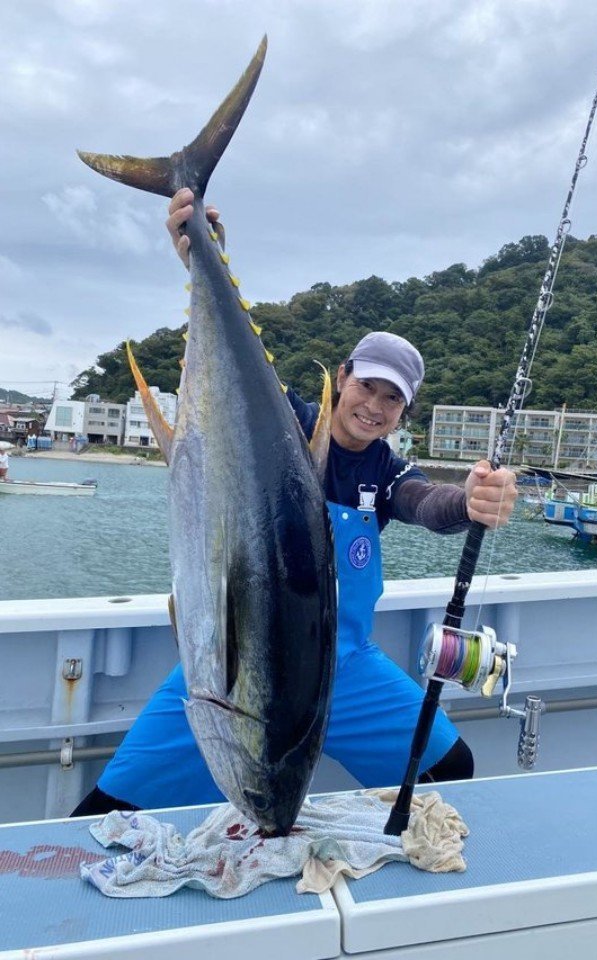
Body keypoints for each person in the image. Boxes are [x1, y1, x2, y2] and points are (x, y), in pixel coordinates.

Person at [72, 190, 517, 818]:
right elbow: (234, 383)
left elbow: (426, 503)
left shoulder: (386, 472)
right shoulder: (282, 425)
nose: (375, 406)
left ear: (403, 413)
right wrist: (203, 253)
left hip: (343, 668)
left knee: (451, 767)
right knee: (102, 812)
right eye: (368, 386)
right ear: (343, 375)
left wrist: (471, 500)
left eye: (394, 400)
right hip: (231, 666)